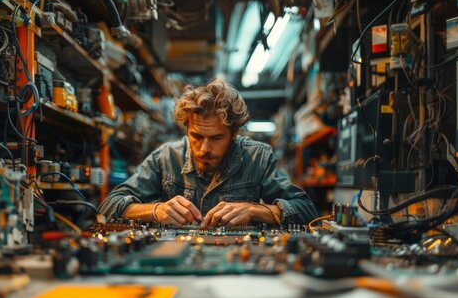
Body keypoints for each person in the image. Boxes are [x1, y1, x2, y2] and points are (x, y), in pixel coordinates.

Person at [99, 78, 317, 228]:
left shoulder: (258, 157)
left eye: (216, 138)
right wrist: (156, 210)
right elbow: (109, 206)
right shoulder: (165, 158)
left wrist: (254, 210)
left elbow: (307, 211)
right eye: (196, 136)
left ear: (234, 134)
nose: (204, 148)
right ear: (186, 129)